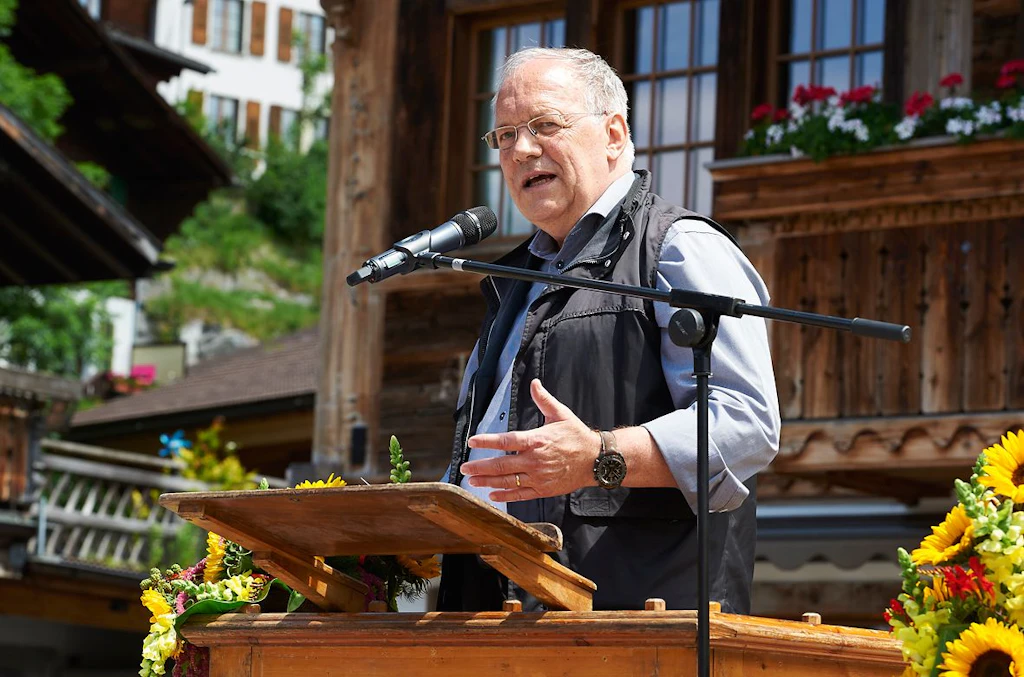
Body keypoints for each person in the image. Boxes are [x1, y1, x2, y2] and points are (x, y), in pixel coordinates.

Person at [436, 47, 780, 614]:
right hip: (499, 613)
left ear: (614, 133)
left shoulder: (678, 249)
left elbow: (746, 423)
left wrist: (600, 455)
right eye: (504, 136)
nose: (521, 149)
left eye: (544, 126)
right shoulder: (514, 279)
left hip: (637, 620)